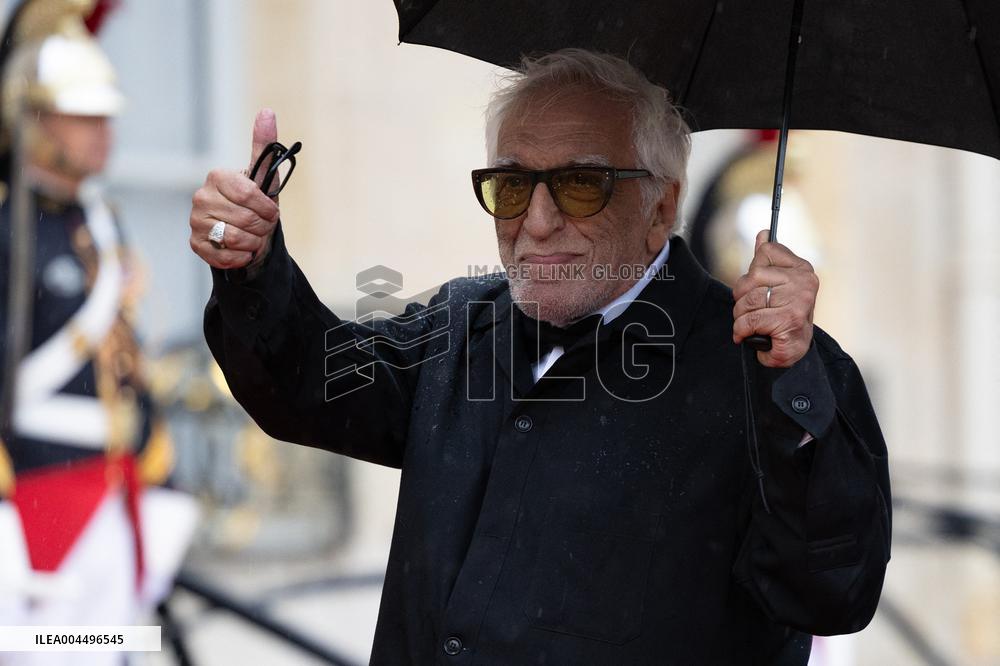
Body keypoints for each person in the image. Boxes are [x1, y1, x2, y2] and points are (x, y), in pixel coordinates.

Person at [191, 49, 890, 665]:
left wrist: (788, 387)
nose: (538, 221)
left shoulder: (768, 369)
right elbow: (310, 383)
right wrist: (252, 266)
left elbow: (831, 590)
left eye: (582, 186)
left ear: (660, 207)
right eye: (513, 186)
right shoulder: (460, 323)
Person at [0, 1, 196, 659]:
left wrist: (159, 470)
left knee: (109, 650)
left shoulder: (100, 224)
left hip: (112, 493)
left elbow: (124, 364)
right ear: (29, 118)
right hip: (34, 503)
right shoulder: (8, 227)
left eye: (104, 117)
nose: (102, 133)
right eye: (82, 116)